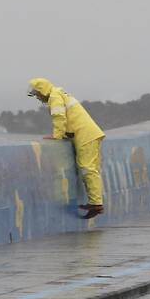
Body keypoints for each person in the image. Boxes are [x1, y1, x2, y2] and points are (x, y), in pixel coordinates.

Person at [27, 78, 106, 219]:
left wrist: (57, 136)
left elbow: (59, 117)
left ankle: (96, 204)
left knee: (88, 168)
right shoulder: (59, 93)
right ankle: (95, 202)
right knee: (90, 168)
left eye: (37, 94)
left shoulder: (55, 97)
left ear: (43, 90)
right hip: (88, 134)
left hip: (85, 135)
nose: (38, 97)